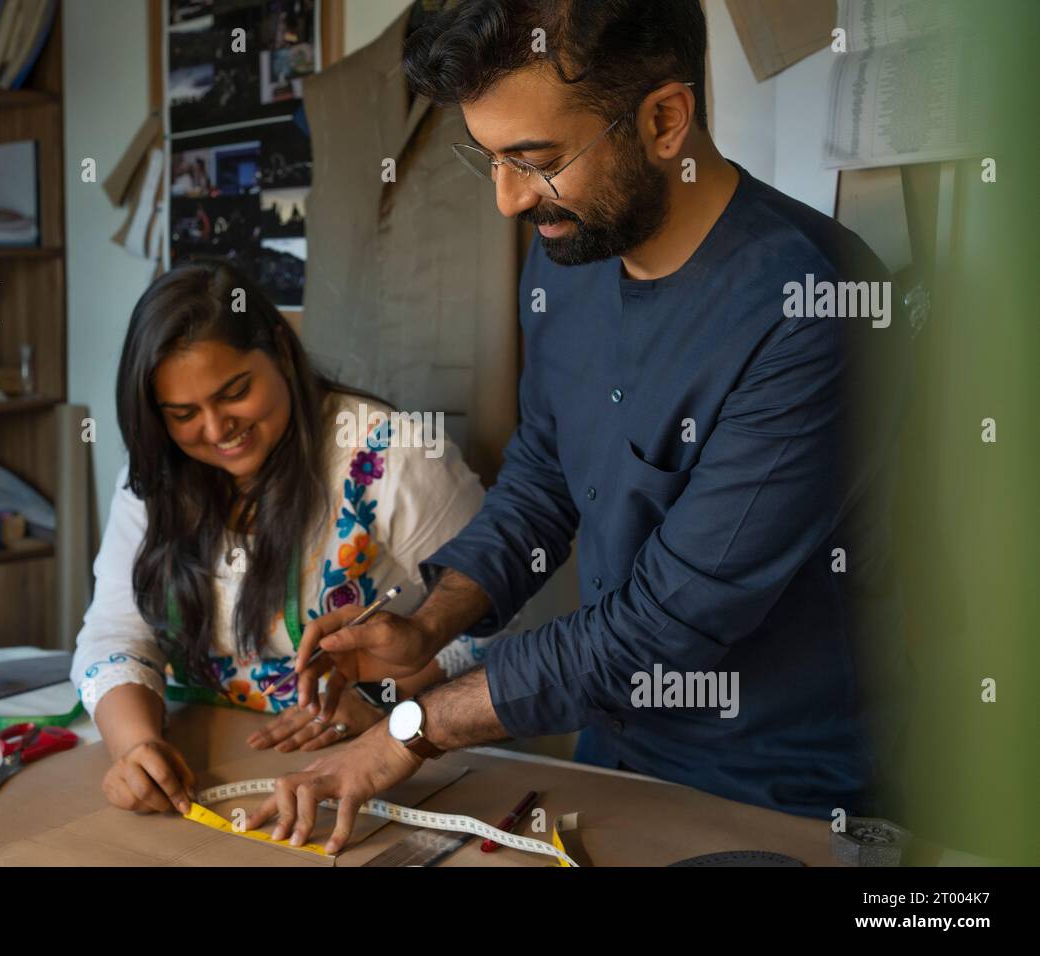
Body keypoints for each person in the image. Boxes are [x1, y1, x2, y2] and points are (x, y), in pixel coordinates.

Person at [249, 0, 912, 854]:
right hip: (611, 755)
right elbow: (544, 478)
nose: (509, 200)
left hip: (780, 793)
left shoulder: (811, 308)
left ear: (665, 119)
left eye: (536, 161)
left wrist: (410, 726)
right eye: (488, 160)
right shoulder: (570, 250)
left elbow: (662, 627)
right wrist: (430, 623)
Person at [70, 258, 495, 815]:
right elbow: (115, 629)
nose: (217, 429)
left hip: (380, 756)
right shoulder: (158, 474)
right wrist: (135, 747)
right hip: (218, 753)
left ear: (279, 349)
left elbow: (495, 633)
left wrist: (377, 697)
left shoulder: (398, 456)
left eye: (234, 392)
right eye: (183, 413)